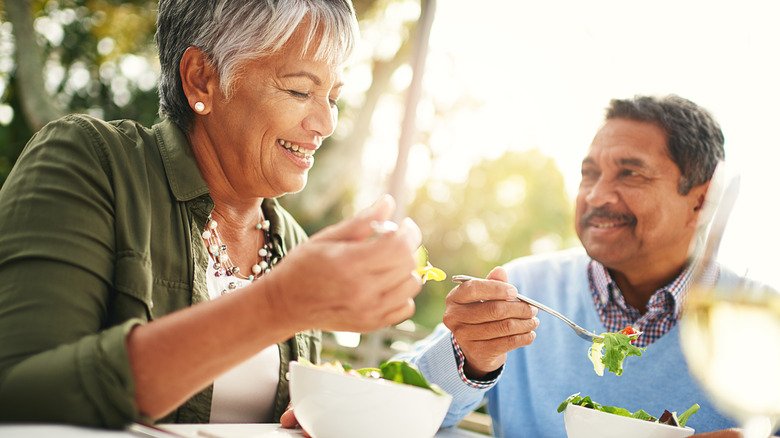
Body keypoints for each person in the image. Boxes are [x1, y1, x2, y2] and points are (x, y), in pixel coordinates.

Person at [0, 0, 423, 428]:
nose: (326, 122)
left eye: (332, 96)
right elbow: (19, 392)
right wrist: (276, 305)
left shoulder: (293, 242)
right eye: (300, 90)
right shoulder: (92, 163)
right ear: (202, 80)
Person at [399, 95, 747, 437]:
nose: (596, 195)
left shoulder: (762, 323)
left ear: (701, 200)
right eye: (589, 173)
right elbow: (399, 403)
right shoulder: (520, 288)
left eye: (630, 174)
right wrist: (470, 358)